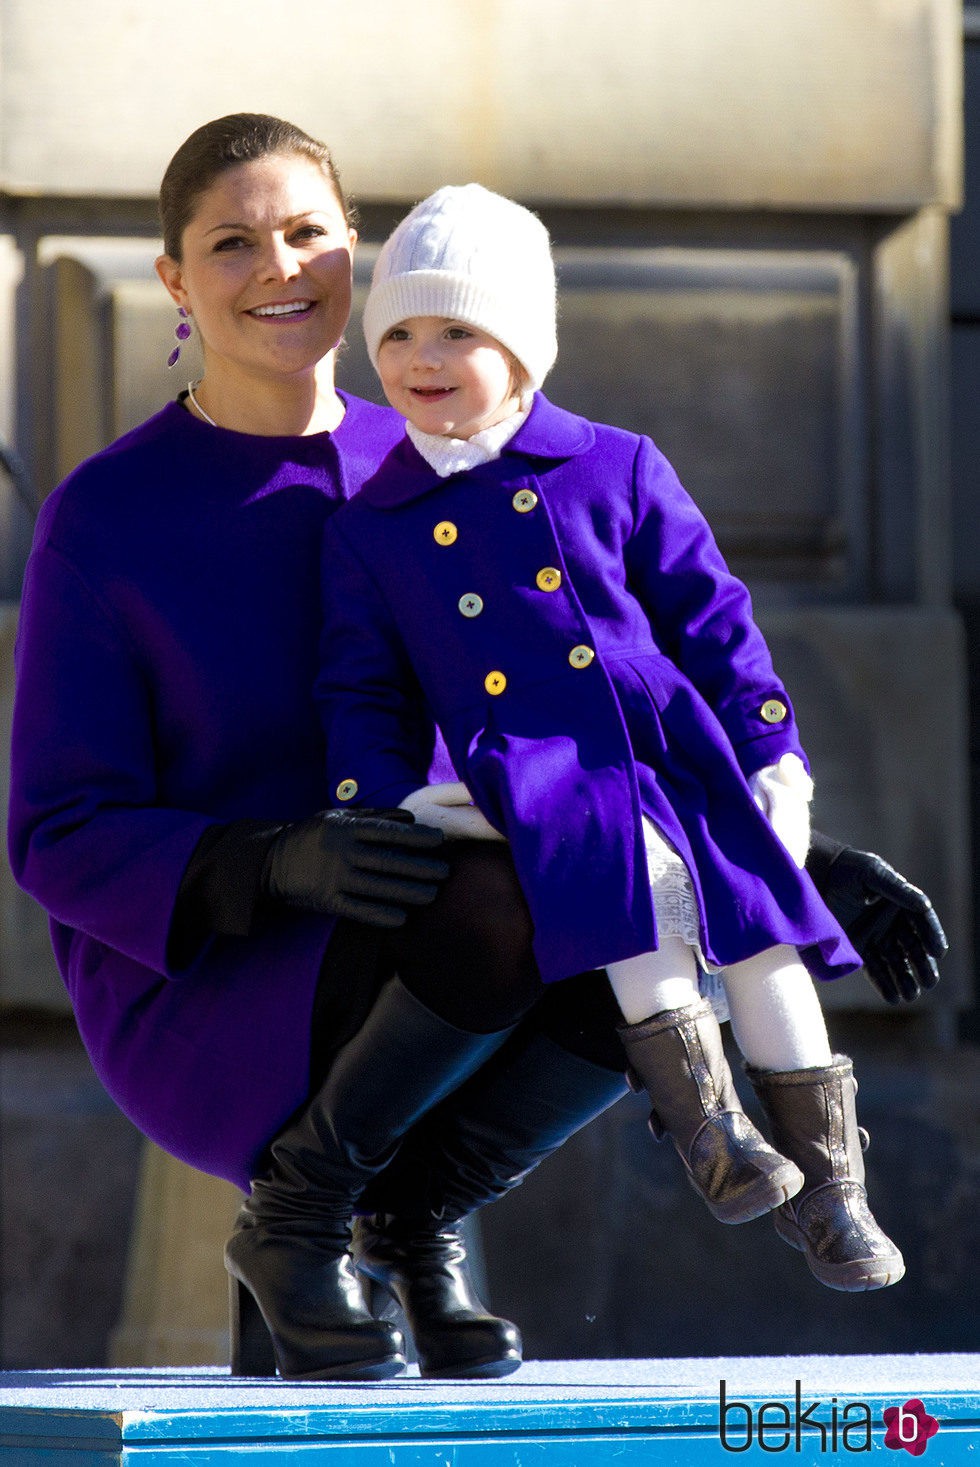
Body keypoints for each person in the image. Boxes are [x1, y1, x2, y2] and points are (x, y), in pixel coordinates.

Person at [5, 117, 944, 1386]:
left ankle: (416, 1216)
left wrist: (788, 849)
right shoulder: (109, 514)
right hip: (219, 968)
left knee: (653, 908)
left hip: (450, 909)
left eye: (306, 235)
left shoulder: (450, 455)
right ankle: (297, 1224)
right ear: (174, 279)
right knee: (520, 897)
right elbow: (57, 833)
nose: (277, 268)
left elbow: (575, 716)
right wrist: (276, 859)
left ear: (354, 252)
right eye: (231, 244)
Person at [316, 183, 940, 1302]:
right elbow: (361, 686)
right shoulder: (372, 525)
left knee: (760, 939)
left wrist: (770, 755)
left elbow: (715, 622)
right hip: (538, 774)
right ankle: (711, 1134)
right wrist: (389, 795)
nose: (422, 355)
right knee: (633, 900)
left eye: (458, 330)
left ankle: (832, 1188)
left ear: (524, 346)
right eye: (399, 332)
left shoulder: (613, 464)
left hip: (671, 750)